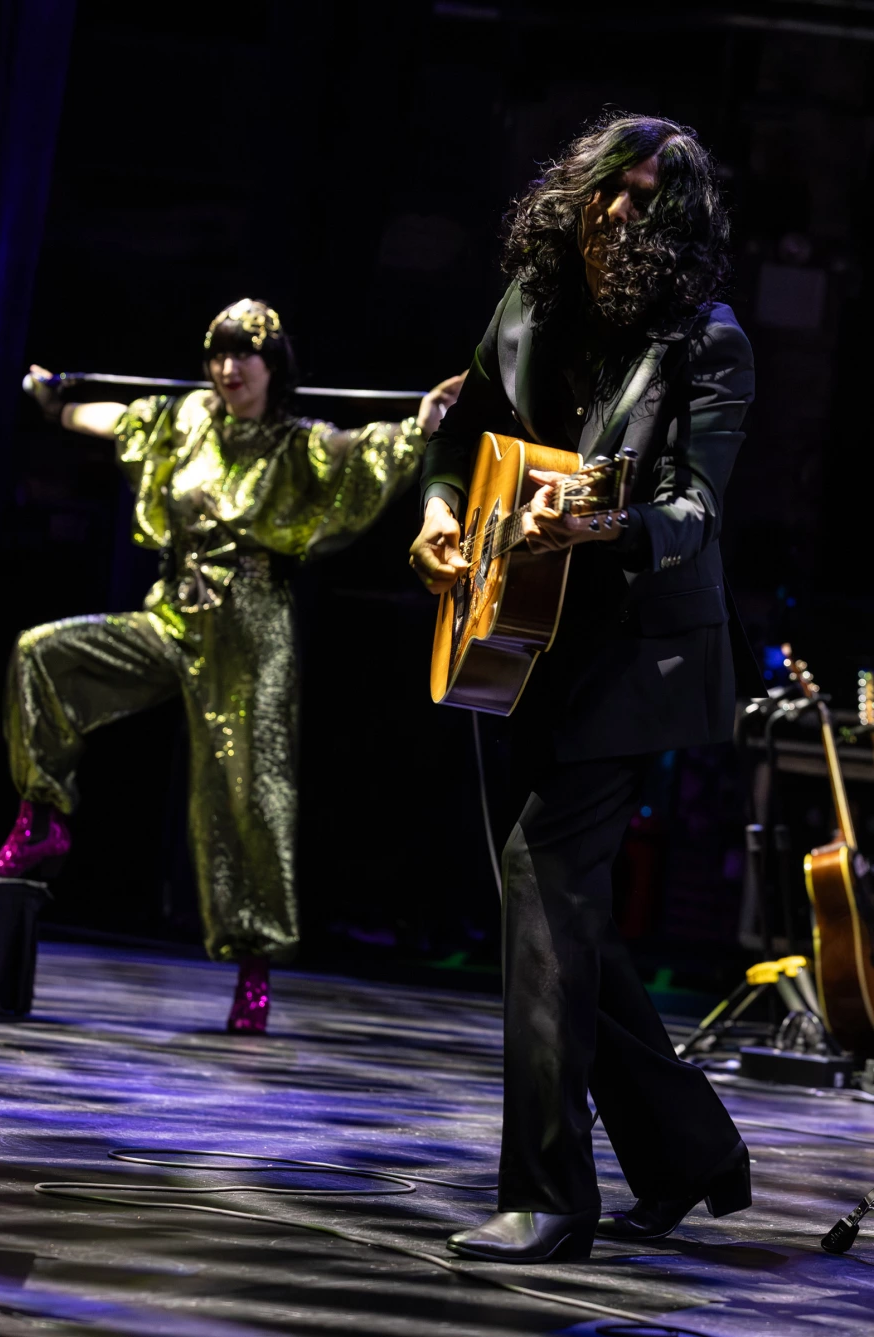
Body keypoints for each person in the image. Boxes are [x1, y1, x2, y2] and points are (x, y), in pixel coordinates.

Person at [409, 114, 764, 1262]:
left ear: (677, 222)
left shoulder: (707, 342)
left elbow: (693, 508)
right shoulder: (528, 300)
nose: (616, 210)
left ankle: (550, 1193)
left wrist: (605, 524)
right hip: (511, 633)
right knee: (558, 917)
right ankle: (691, 1150)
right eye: (607, 185)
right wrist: (438, 511)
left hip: (632, 653)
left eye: (644, 197)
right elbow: (458, 431)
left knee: (543, 885)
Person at [0, 298, 463, 1031]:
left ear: (273, 366)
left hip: (252, 632)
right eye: (218, 353)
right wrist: (58, 406)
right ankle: (41, 819)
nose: (227, 367)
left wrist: (426, 422)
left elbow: (370, 450)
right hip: (174, 616)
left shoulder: (299, 445)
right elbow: (120, 421)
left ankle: (254, 967)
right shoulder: (186, 420)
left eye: (244, 354)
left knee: (250, 796)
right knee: (41, 654)